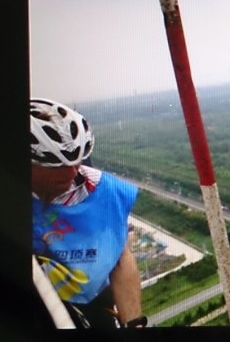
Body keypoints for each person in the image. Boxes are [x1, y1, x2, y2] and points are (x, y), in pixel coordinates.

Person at [30, 98, 146, 328]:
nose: (73, 173)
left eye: (77, 162)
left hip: (94, 306)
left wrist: (135, 326)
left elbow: (120, 257)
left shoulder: (103, 191)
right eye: (58, 166)